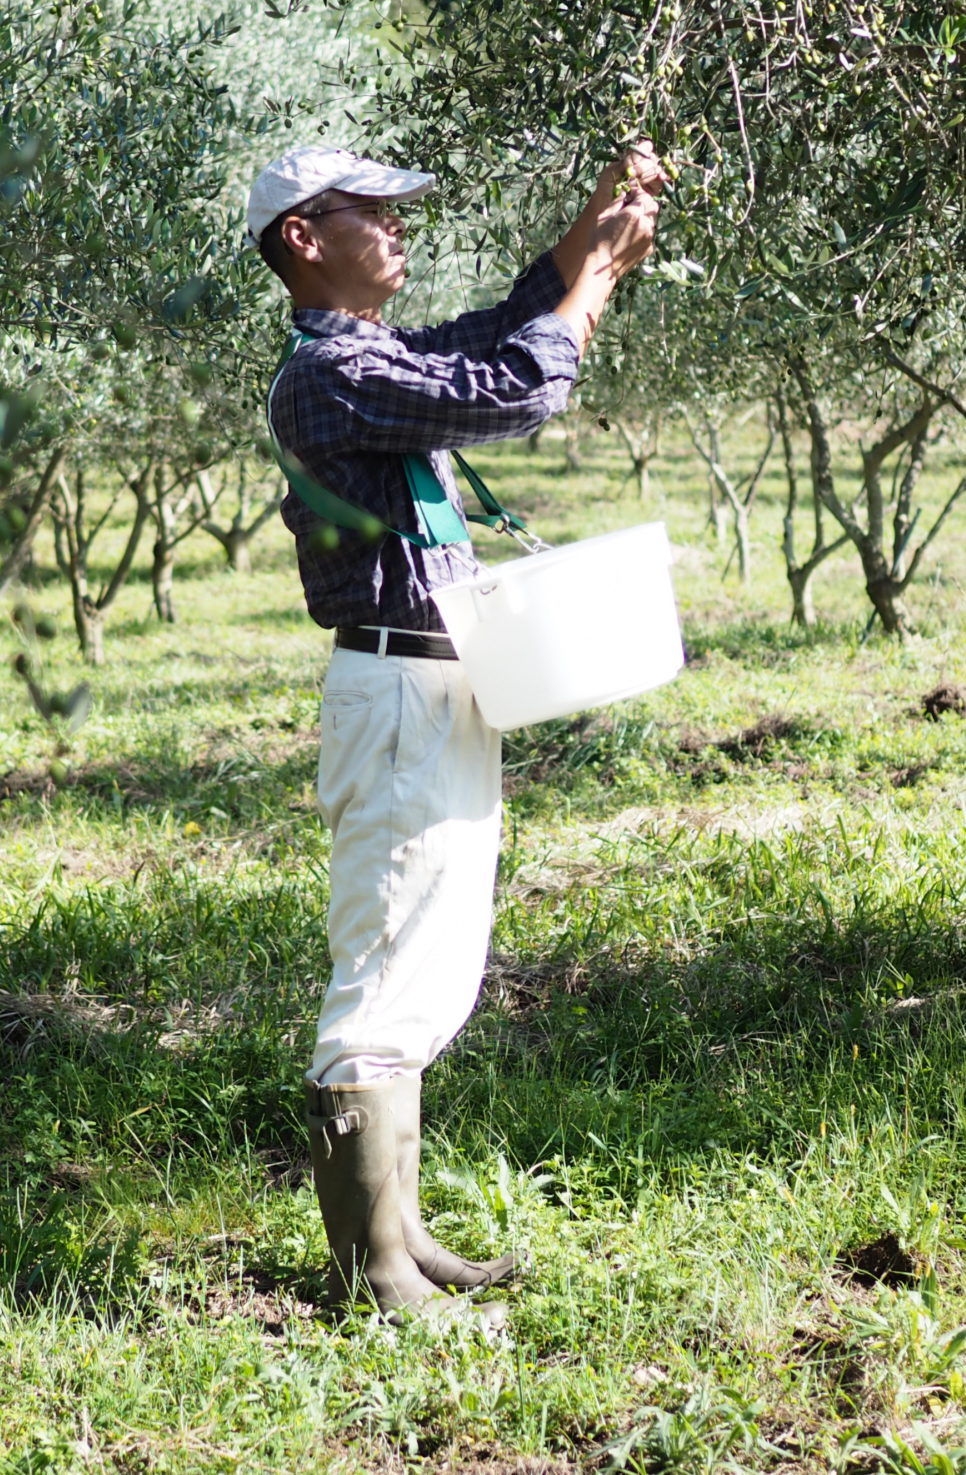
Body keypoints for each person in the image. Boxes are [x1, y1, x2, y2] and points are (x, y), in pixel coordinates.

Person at [251, 142, 664, 1316]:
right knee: (383, 972)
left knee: (426, 968)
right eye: (369, 214)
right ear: (301, 238)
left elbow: (499, 329)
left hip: (434, 689)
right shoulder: (330, 377)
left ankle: (402, 1233)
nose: (396, 230)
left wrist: (593, 238)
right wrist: (592, 293)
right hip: (394, 697)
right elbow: (516, 390)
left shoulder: (367, 354)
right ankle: (373, 1271)